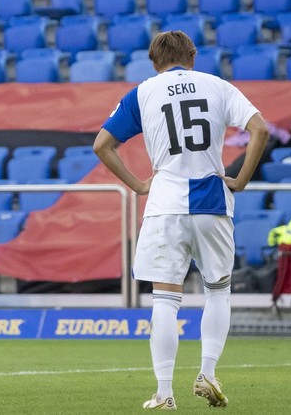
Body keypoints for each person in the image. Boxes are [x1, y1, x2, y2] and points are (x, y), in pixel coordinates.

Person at [93, 31, 270, 409]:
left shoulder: (143, 92)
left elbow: (102, 145)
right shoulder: (217, 86)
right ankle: (207, 372)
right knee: (217, 291)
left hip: (165, 204)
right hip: (212, 201)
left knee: (165, 299)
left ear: (154, 60)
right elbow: (261, 129)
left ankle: (164, 392)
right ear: (192, 55)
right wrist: (240, 179)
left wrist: (138, 185)